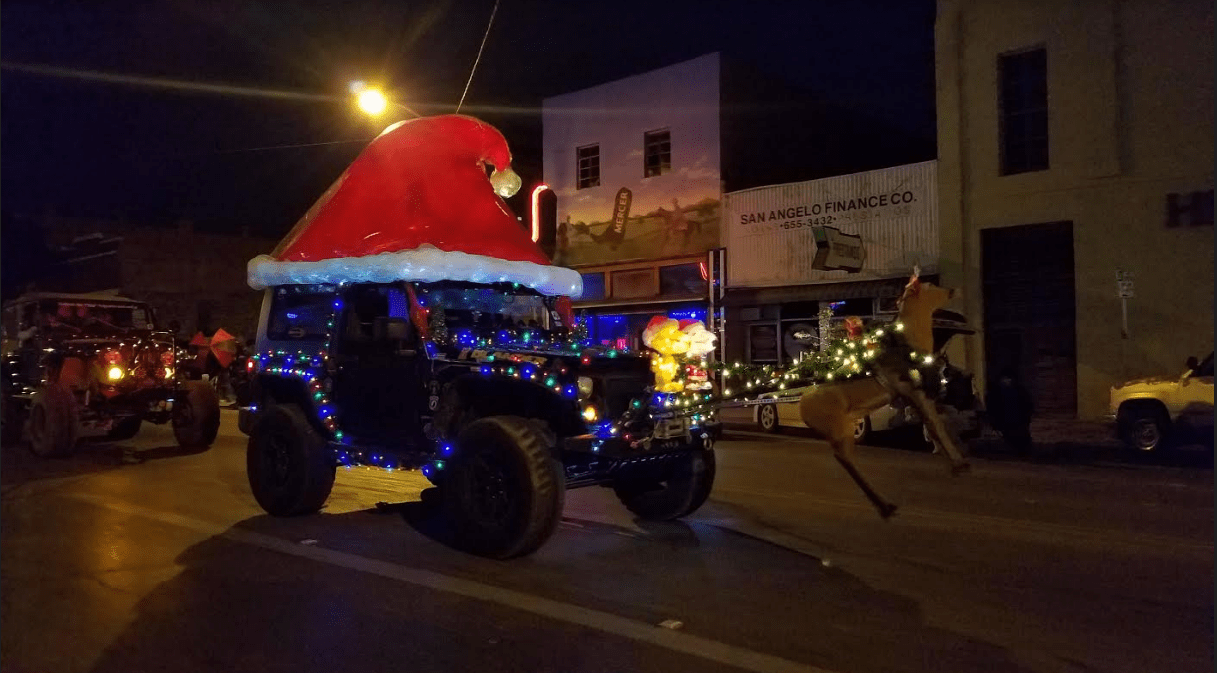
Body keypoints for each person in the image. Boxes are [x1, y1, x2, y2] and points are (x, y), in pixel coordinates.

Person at [986, 368, 1033, 452]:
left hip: (1018, 423)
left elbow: (1027, 406)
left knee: (1021, 440)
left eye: (1008, 379)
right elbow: (992, 409)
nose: (1006, 381)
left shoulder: (1020, 391)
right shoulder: (995, 393)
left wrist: (1025, 420)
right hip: (1006, 424)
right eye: (1004, 379)